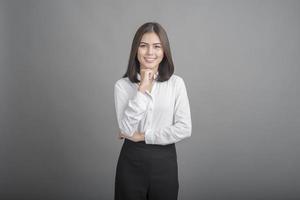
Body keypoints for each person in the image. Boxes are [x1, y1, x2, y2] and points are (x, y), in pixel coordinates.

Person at [114, 22, 192, 200]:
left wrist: (143, 136)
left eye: (157, 46)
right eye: (143, 46)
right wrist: (142, 89)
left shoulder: (176, 84)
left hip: (164, 162)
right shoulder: (122, 86)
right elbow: (126, 129)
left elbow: (184, 128)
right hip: (131, 161)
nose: (150, 52)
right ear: (136, 49)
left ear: (164, 51)